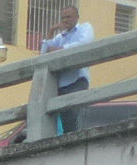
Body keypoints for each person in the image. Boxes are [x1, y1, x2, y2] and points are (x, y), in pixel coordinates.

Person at [40, 4, 95, 135]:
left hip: (78, 80)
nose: (65, 20)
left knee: (75, 112)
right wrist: (51, 31)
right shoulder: (61, 37)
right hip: (62, 84)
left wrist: (60, 50)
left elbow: (84, 44)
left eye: (68, 17)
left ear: (77, 17)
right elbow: (43, 55)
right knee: (66, 119)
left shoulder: (85, 28)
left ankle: (78, 142)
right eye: (63, 17)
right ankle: (68, 141)